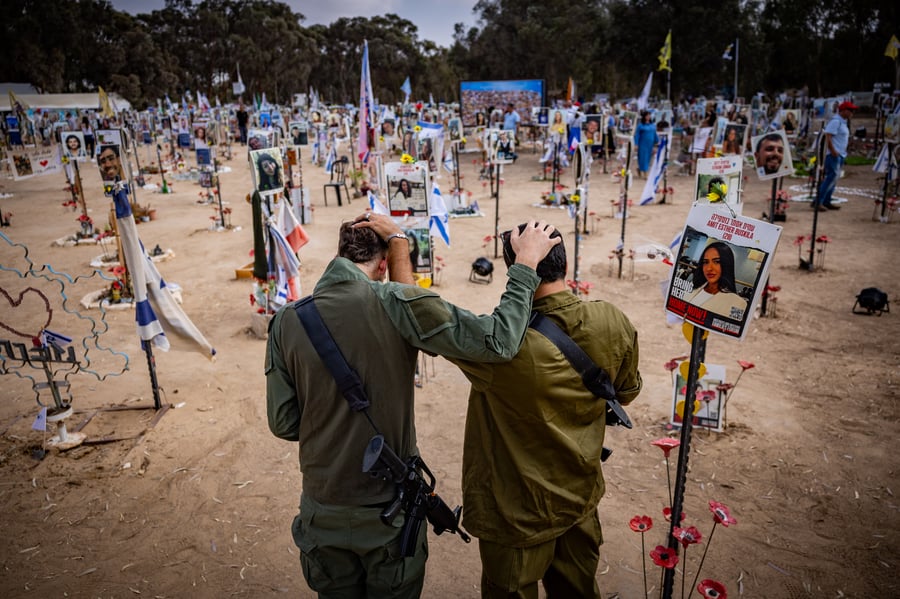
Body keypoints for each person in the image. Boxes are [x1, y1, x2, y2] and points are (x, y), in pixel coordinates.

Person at [266, 215, 560, 599]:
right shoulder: (395, 303)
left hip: (323, 513)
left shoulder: (287, 319)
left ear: (340, 253)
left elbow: (284, 423)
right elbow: (499, 342)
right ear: (384, 262)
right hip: (387, 514)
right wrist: (525, 266)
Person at [447, 224, 642, 599]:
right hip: (579, 501)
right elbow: (626, 394)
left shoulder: (497, 348)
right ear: (563, 263)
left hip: (516, 514)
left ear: (515, 267)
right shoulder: (612, 320)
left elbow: (425, 324)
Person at [686, 242, 748, 319]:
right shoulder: (692, 289)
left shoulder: (738, 303)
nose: (709, 268)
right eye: (705, 262)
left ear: (726, 264)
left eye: (716, 262)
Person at [814, 101, 857, 211]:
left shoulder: (842, 122)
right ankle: (818, 201)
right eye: (850, 110)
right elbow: (827, 136)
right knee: (830, 178)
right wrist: (832, 150)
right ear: (843, 110)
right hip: (833, 154)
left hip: (840, 154)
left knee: (834, 179)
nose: (852, 113)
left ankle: (827, 201)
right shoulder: (836, 121)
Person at [633, 111, 659, 178]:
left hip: (650, 144)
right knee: (643, 158)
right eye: (647, 116)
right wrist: (636, 144)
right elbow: (637, 135)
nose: (648, 117)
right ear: (644, 117)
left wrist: (657, 142)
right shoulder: (640, 125)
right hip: (642, 144)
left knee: (648, 158)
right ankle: (645, 173)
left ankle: (640, 169)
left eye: (649, 115)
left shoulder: (652, 125)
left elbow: (655, 134)